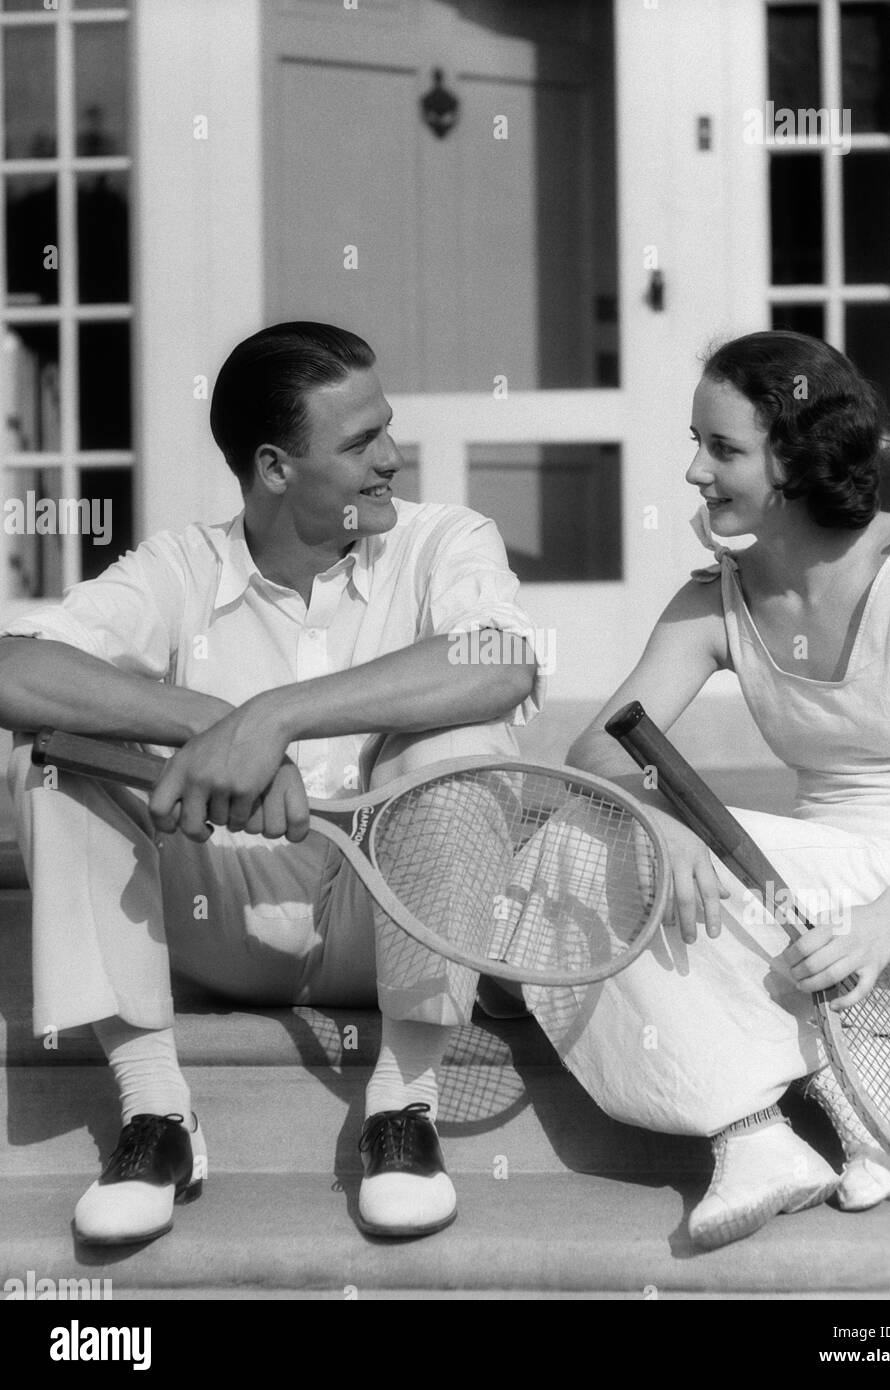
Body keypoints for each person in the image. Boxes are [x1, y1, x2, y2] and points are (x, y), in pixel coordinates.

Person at [0, 321, 541, 1245]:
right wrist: (207, 726)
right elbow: (15, 670)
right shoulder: (180, 566)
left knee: (461, 744)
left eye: (388, 429)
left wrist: (274, 717)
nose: (394, 457)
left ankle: (402, 1109)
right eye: (361, 442)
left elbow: (501, 664)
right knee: (54, 751)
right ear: (275, 468)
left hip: (386, 915)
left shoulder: (446, 538)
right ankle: (155, 1116)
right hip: (220, 914)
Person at [523, 330, 890, 1250]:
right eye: (696, 442)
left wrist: (886, 924)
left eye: (724, 449)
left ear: (797, 457)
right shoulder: (717, 599)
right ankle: (755, 1135)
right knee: (573, 840)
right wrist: (662, 824)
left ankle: (831, 1069)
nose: (696, 472)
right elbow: (595, 747)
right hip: (803, 903)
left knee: (598, 846)